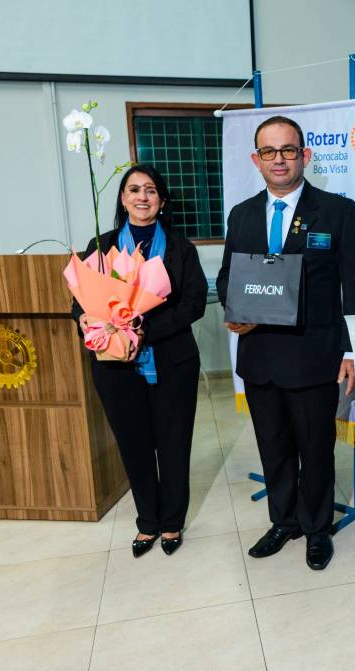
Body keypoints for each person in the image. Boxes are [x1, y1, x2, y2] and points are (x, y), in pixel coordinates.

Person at [216, 115, 355, 571]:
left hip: (314, 356)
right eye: (269, 151)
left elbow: (354, 285)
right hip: (259, 354)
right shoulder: (242, 214)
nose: (278, 159)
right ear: (255, 159)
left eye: (288, 150)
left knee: (316, 449)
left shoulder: (338, 212)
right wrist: (234, 310)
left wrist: (351, 350)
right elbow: (228, 276)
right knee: (273, 446)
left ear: (305, 154)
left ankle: (317, 528)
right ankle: (283, 521)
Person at [72, 164, 207, 558]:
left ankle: (172, 522)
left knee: (173, 443)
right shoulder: (102, 246)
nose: (142, 197)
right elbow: (80, 299)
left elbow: (194, 304)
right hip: (115, 365)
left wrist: (144, 330)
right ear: (123, 198)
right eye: (134, 189)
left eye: (150, 190)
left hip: (173, 361)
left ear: (162, 200)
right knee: (133, 445)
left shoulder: (181, 248)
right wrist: (82, 319)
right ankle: (147, 521)